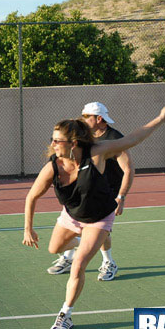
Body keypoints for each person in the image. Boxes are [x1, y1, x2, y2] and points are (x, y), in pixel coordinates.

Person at [22, 103, 165, 329]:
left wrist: (161, 118)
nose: (52, 144)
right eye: (52, 139)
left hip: (99, 218)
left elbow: (134, 138)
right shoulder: (52, 168)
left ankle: (65, 314)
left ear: (73, 143)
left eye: (57, 141)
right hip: (72, 215)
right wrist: (28, 228)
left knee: (78, 267)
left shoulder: (96, 153)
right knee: (53, 249)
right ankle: (84, 244)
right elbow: (31, 196)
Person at [47, 102, 134, 282]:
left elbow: (128, 169)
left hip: (106, 192)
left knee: (101, 230)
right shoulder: (84, 137)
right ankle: (70, 256)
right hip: (85, 187)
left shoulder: (113, 138)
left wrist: (121, 197)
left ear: (99, 118)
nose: (83, 119)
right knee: (74, 224)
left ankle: (109, 262)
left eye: (86, 116)